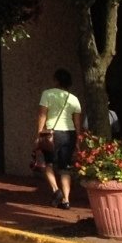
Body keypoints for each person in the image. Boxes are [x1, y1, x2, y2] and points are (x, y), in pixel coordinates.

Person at [36, 68, 85, 209]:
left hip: (51, 133)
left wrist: (39, 134)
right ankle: (66, 200)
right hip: (69, 134)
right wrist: (78, 139)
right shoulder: (74, 99)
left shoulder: (47, 94)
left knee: (47, 164)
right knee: (65, 168)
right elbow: (77, 122)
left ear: (56, 80)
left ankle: (56, 190)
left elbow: (42, 115)